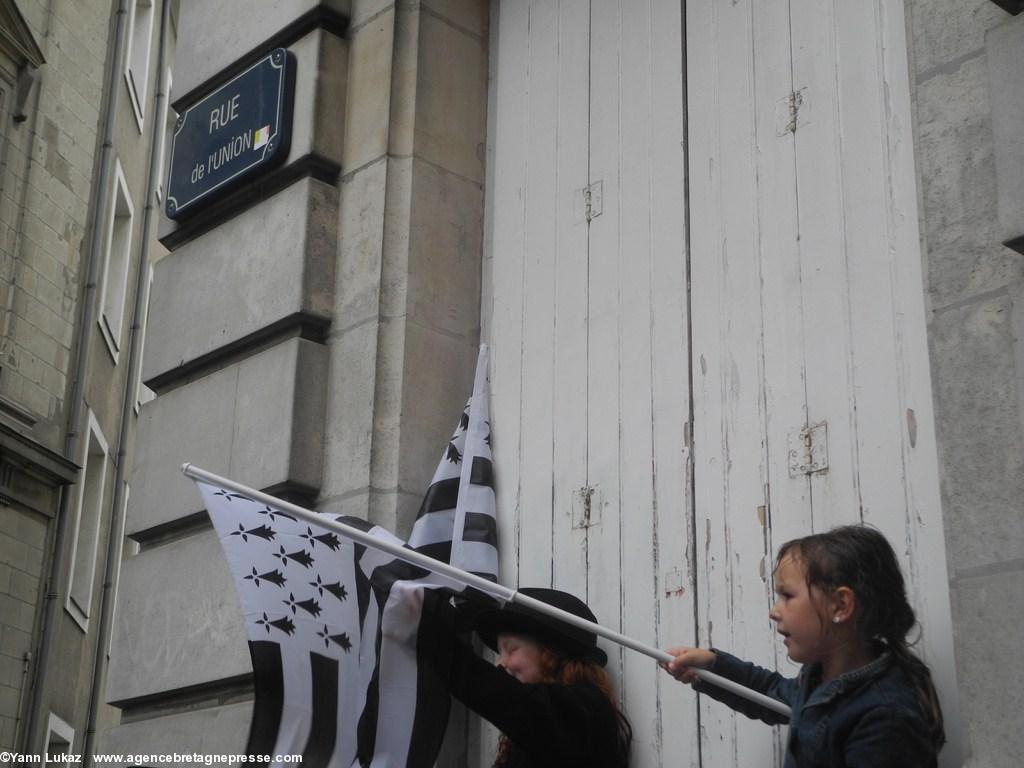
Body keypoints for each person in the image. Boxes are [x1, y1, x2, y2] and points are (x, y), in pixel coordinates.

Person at [662, 524, 945, 768]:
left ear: (841, 605)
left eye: (787, 595)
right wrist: (711, 665)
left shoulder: (885, 718)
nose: (774, 610)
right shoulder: (819, 678)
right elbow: (771, 694)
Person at [425, 587, 632, 768]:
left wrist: (426, 632)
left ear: (550, 652)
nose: (500, 663)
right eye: (499, 652)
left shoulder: (583, 709)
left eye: (511, 649)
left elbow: (511, 699)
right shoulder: (533, 728)